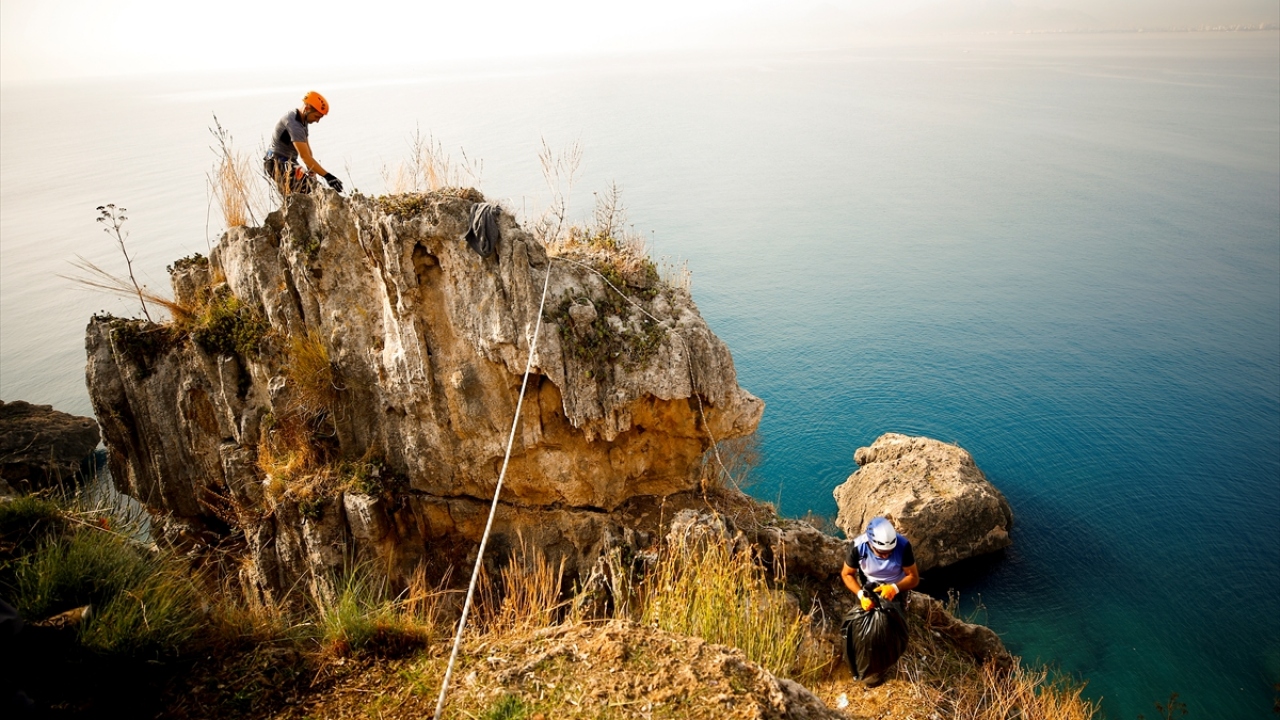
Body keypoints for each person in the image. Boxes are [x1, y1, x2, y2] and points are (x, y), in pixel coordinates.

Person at [264, 91, 343, 195]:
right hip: (277, 164)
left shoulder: (302, 120)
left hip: (288, 162)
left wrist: (311, 171)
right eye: (317, 116)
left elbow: (307, 151)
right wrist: (328, 176)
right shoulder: (294, 124)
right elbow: (305, 156)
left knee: (314, 191)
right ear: (307, 109)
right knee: (308, 193)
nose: (317, 121)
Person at [841, 516, 921, 611]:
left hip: (897, 587)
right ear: (870, 544)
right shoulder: (857, 548)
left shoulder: (903, 546)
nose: (886, 556)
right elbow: (847, 574)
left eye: (890, 551)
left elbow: (914, 577)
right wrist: (861, 595)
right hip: (871, 588)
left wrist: (894, 588)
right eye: (881, 553)